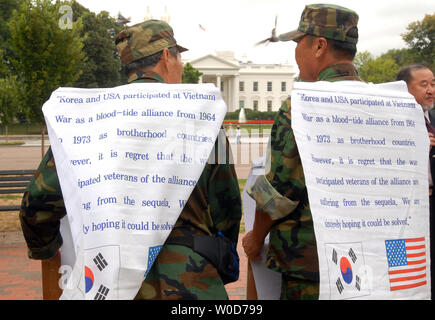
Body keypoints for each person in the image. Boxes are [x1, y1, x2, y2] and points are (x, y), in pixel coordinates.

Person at [19, 19, 242, 300]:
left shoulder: (92, 117)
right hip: (191, 282)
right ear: (165, 56)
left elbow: (36, 204)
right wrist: (219, 255)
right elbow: (228, 208)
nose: (181, 66)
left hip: (109, 281)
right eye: (179, 57)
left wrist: (48, 251)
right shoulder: (202, 116)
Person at [242, 3, 362, 300]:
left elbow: (280, 190)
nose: (296, 54)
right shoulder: (390, 104)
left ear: (319, 45)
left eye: (299, 43)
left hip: (310, 260)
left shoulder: (302, 106)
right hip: (368, 255)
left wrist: (256, 238)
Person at [396, 64, 435, 299]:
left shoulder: (432, 117)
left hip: (431, 204)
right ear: (405, 89)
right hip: (405, 210)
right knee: (406, 267)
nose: (431, 90)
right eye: (424, 84)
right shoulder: (392, 122)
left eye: (433, 83)